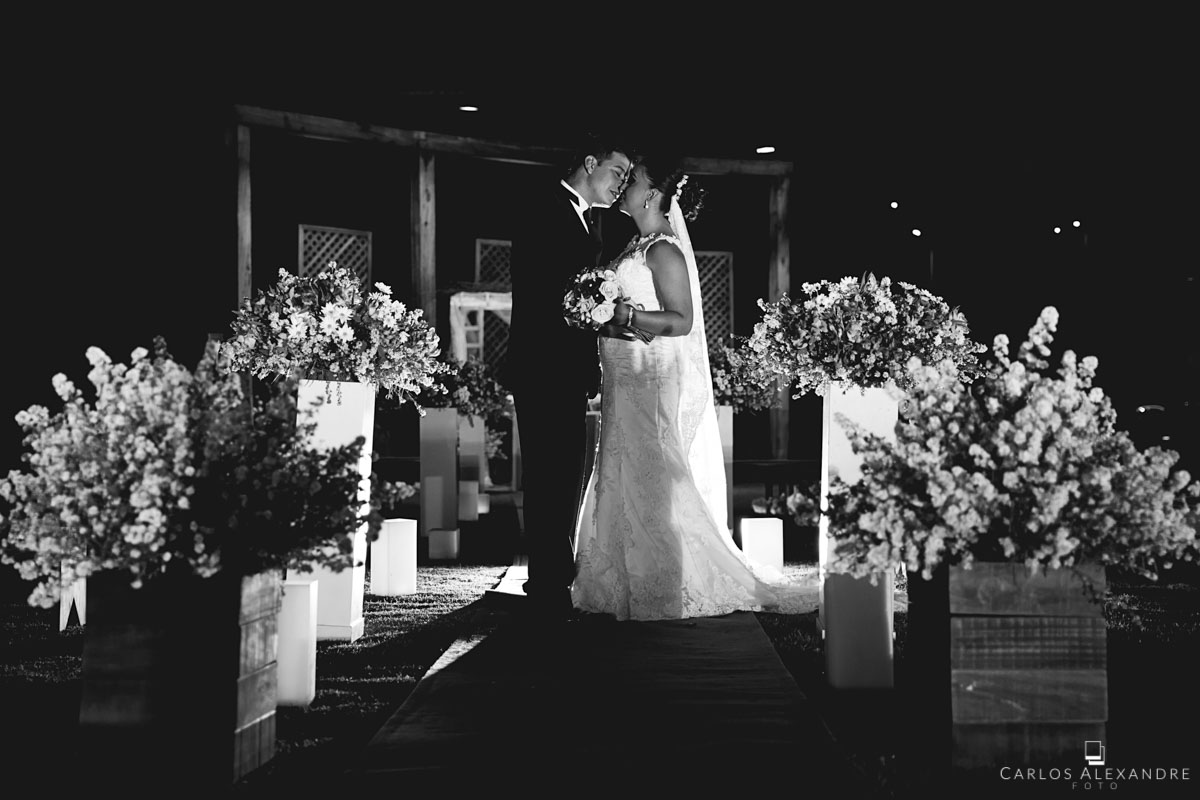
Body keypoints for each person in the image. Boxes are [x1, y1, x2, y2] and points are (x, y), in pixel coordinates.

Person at [570, 154, 819, 621]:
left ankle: (658, 584)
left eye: (634, 179)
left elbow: (681, 320)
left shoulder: (663, 250)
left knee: (652, 470)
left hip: (649, 375)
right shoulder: (633, 246)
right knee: (619, 464)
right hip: (622, 377)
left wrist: (626, 316)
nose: (625, 184)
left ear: (653, 194)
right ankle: (615, 578)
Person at [507, 135, 634, 619]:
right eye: (616, 172)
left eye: (626, 177)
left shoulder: (586, 217)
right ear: (588, 163)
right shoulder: (545, 207)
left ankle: (551, 575)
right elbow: (543, 291)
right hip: (543, 364)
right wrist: (592, 306)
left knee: (561, 474)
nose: (621, 184)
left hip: (563, 367)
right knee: (548, 473)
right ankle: (546, 583)